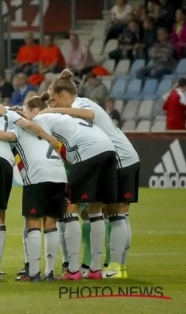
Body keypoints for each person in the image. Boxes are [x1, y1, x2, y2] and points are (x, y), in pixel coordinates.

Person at [38, 71, 129, 280]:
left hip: (89, 153)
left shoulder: (53, 114)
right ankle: (95, 269)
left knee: (71, 208)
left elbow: (33, 129)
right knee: (95, 209)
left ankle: (73, 270)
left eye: (53, 100)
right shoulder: (72, 116)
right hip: (108, 150)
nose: (51, 104)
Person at [0, 104, 66, 281]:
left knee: (33, 223)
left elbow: (8, 136)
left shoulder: (17, 128)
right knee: (51, 224)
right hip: (59, 174)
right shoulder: (40, 132)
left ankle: (33, 273)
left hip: (37, 175)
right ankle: (50, 272)